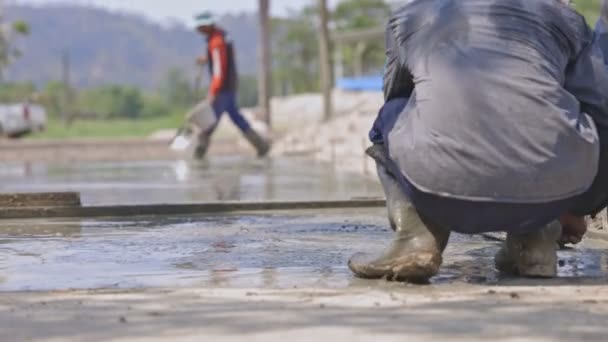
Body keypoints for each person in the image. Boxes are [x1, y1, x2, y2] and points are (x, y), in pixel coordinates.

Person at [349, 0, 608, 283]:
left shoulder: (411, 16)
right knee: (554, 109)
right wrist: (577, 200)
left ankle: (417, 236)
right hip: (553, 191)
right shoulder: (564, 19)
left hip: (438, 184)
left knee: (393, 113)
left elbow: (397, 92)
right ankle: (536, 240)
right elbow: (600, 106)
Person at [191, 11, 270, 159]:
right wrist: (206, 58)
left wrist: (213, 92)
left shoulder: (217, 42)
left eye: (200, 27)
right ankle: (261, 145)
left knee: (209, 123)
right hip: (230, 85)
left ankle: (198, 156)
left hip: (223, 88)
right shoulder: (222, 36)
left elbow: (219, 69)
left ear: (207, 26)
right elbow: (221, 59)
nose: (198, 31)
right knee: (235, 117)